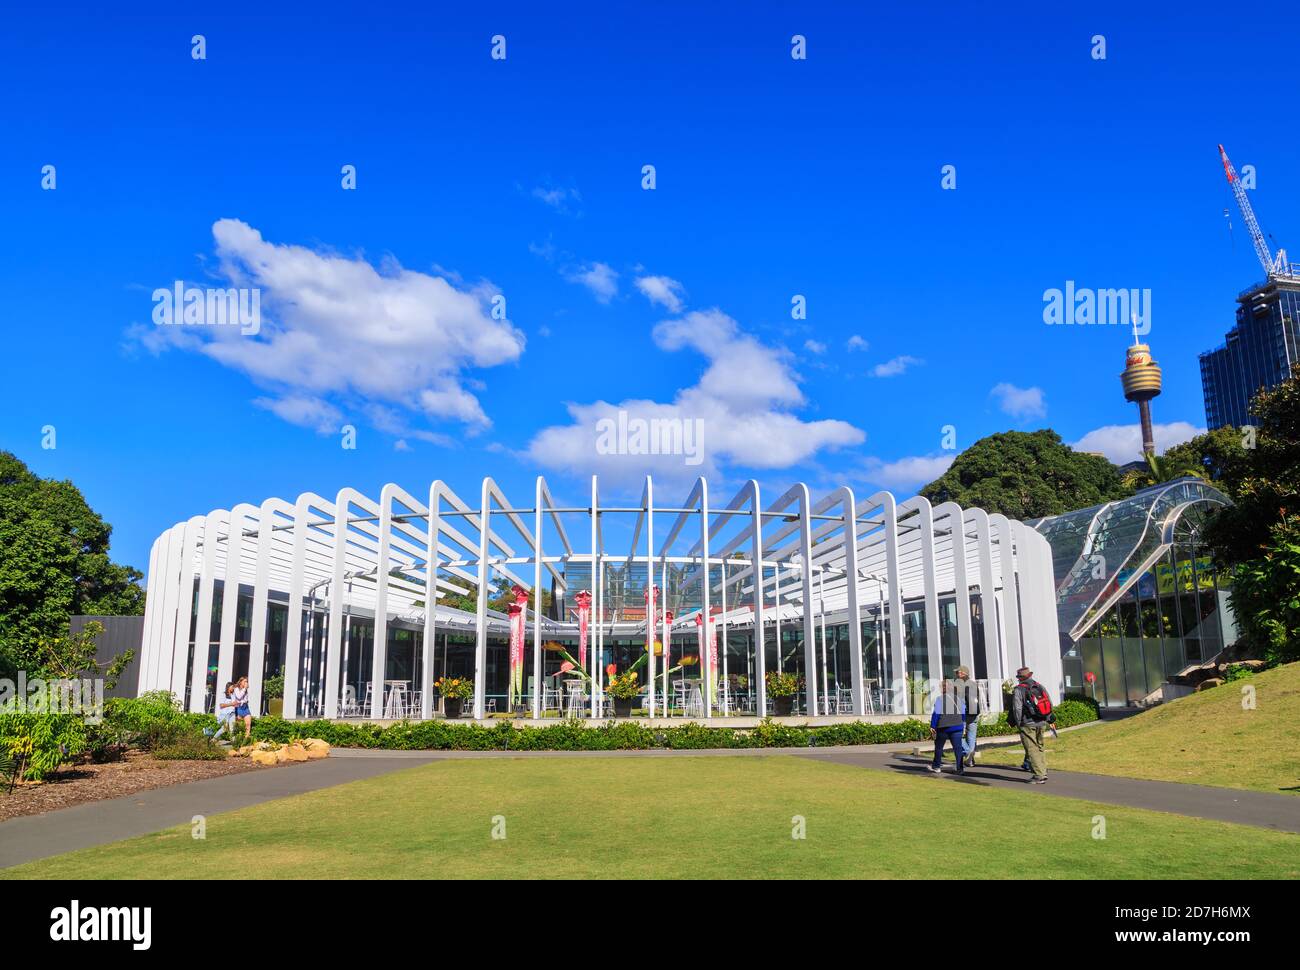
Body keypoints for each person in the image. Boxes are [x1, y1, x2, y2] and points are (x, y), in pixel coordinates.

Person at [1009, 666, 1055, 784]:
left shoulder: (1019, 690)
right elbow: (1049, 702)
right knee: (1040, 745)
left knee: (1031, 748)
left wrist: (1019, 723)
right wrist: (1048, 718)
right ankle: (1043, 770)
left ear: (1020, 678)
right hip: (1042, 721)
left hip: (1027, 723)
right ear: (1029, 675)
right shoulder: (1039, 686)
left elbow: (1017, 708)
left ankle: (1039, 775)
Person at [928, 679, 966, 775]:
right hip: (957, 726)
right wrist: (963, 723)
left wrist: (932, 725)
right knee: (958, 749)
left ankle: (936, 767)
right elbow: (963, 713)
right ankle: (960, 769)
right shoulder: (958, 699)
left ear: (943, 688)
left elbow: (936, 714)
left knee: (939, 747)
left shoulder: (940, 699)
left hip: (943, 727)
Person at [953, 665, 981, 767]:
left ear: (962, 673)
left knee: (956, 735)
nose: (956, 674)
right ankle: (970, 760)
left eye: (957, 673)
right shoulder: (973, 684)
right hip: (974, 713)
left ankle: (968, 753)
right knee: (971, 737)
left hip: (963, 714)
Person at [232, 675, 253, 740]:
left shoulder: (245, 690)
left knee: (248, 724)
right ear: (241, 682)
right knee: (239, 726)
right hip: (239, 708)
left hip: (245, 707)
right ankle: (237, 739)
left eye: (247, 681)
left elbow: (245, 699)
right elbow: (239, 697)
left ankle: (246, 739)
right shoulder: (236, 689)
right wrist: (244, 689)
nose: (246, 683)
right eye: (245, 681)